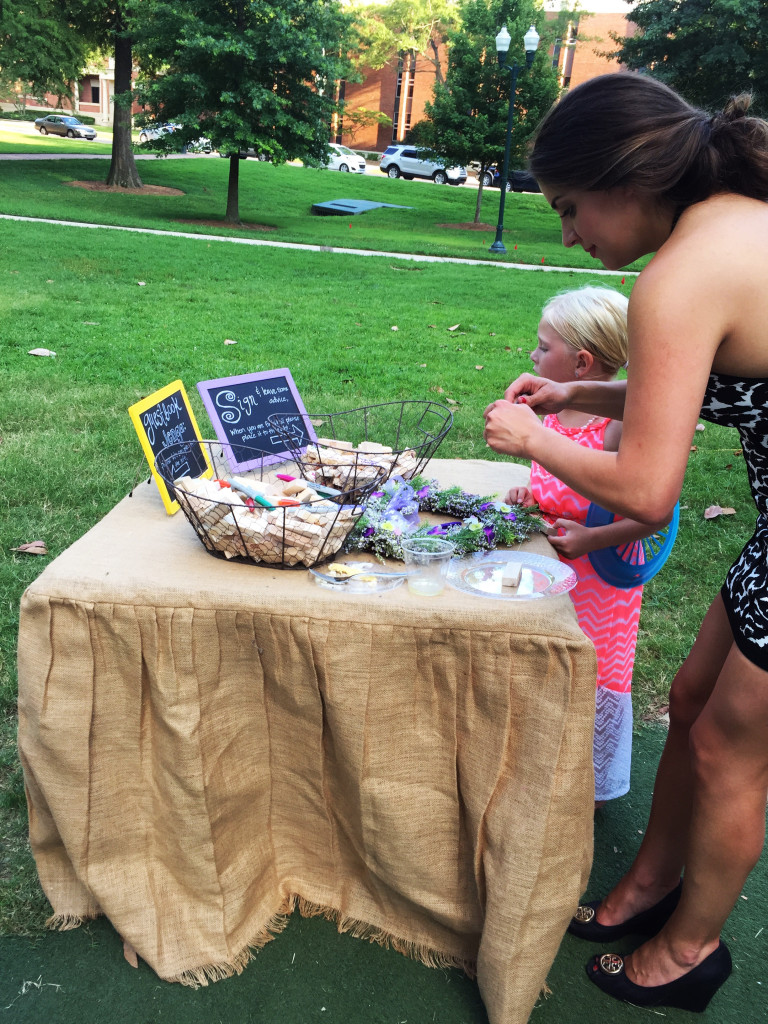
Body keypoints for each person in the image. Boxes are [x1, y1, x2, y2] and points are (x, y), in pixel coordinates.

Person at [483, 71, 768, 1014]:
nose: (567, 234)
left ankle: (688, 951)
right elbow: (699, 380)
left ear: (625, 176)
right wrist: (577, 394)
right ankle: (649, 885)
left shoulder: (678, 275)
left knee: (733, 747)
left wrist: (534, 437)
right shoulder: (728, 221)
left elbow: (649, 486)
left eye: (568, 207)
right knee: (690, 700)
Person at [505, 286, 654, 807]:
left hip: (601, 578)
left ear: (582, 361)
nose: (533, 356)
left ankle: (584, 785)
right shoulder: (547, 413)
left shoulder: (616, 425)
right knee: (549, 663)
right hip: (552, 567)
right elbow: (553, 484)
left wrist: (592, 538)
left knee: (591, 671)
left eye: (543, 347)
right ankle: (541, 764)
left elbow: (650, 512)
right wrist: (530, 495)